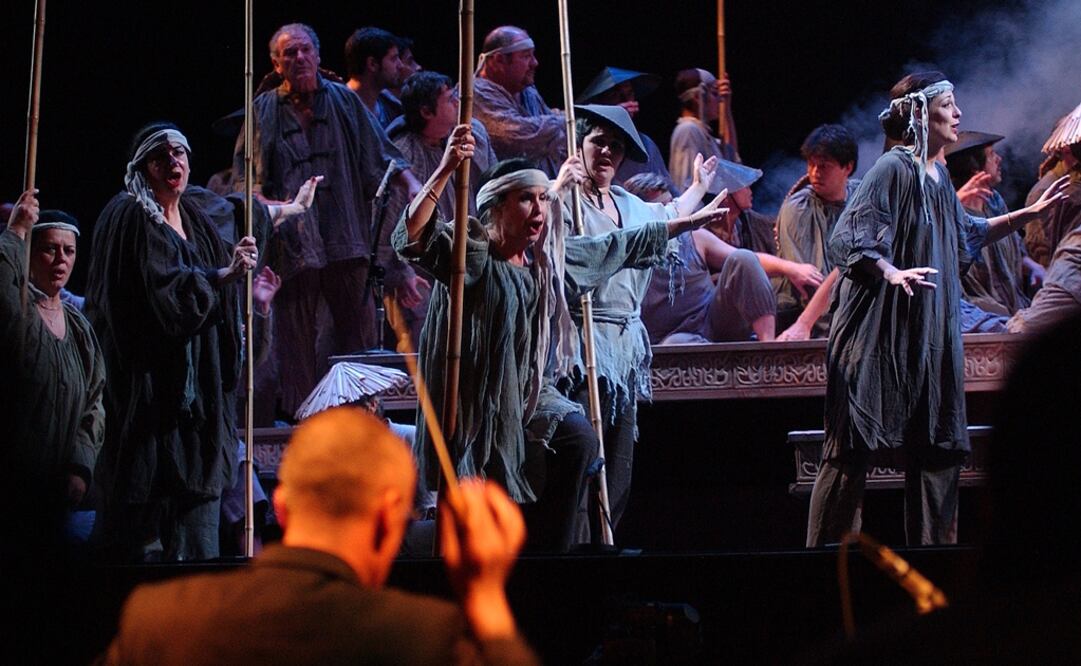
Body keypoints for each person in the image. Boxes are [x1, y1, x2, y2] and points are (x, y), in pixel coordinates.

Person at [392, 125, 726, 551]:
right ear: (497, 206)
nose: (539, 210)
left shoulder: (545, 261)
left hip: (530, 392)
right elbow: (415, 236)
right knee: (481, 495)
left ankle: (557, 553)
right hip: (476, 394)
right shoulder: (471, 251)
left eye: (543, 200)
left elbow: (615, 246)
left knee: (580, 439)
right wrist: (445, 169)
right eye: (526, 199)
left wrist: (687, 221)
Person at [805, 72, 1069, 547]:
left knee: (939, 447)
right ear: (922, 113)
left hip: (929, 329)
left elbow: (965, 232)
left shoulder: (938, 176)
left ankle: (935, 563)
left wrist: (1023, 217)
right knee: (850, 451)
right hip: (877, 333)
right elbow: (849, 237)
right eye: (949, 104)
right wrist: (889, 270)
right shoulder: (893, 169)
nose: (959, 113)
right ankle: (826, 568)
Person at [100, 407, 539, 665]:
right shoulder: (427, 639)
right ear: (389, 519)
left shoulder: (158, 620)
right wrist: (486, 598)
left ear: (281, 506)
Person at [85, 122, 318, 562]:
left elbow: (239, 214)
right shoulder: (131, 215)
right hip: (151, 397)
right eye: (162, 157)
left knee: (197, 534)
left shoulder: (194, 211)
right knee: (137, 533)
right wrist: (222, 275)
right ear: (144, 167)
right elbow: (166, 296)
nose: (174, 163)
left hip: (200, 406)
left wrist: (292, 209)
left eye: (180, 153)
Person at [236, 23, 420, 418]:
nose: (298, 59)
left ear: (318, 56)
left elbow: (384, 157)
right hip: (293, 245)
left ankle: (365, 418)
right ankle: (307, 425)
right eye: (289, 54)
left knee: (356, 332)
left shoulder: (344, 102)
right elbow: (246, 184)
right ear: (276, 63)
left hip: (346, 235)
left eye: (304, 51)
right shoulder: (263, 111)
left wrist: (414, 182)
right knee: (296, 340)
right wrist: (275, 207)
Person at [561, 104, 722, 535]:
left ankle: (608, 545)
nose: (607, 153)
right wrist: (560, 186)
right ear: (580, 146)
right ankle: (572, 547)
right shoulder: (566, 202)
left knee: (618, 461)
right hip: (583, 343)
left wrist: (696, 190)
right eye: (599, 142)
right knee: (580, 456)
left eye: (615, 146)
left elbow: (664, 220)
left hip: (624, 349)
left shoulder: (627, 203)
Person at [1, 194, 105, 549]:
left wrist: (80, 466)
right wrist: (15, 231)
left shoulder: (79, 327)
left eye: (69, 251)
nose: (61, 259)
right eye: (49, 249)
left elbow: (93, 404)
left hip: (63, 495)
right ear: (29, 253)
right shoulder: (16, 309)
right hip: (15, 487)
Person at [383, 70, 499, 343]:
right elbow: (391, 221)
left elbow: (490, 189)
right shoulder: (404, 154)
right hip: (426, 274)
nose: (458, 103)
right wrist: (402, 272)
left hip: (469, 263)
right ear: (426, 111)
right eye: (450, 99)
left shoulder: (469, 139)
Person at [774, 124, 861, 338]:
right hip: (804, 311)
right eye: (811, 165)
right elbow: (808, 281)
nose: (814, 173)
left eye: (823, 166)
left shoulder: (862, 196)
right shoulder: (798, 208)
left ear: (847, 168)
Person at [945, 130, 1042, 316]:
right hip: (980, 313)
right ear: (975, 168)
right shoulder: (950, 211)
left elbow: (1014, 242)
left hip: (1014, 305)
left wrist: (1033, 266)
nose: (999, 159)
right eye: (991, 155)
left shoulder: (993, 201)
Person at [473, 25, 566, 177]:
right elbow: (518, 137)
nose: (534, 63)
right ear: (499, 60)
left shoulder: (527, 92)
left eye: (533, 55)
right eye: (526, 56)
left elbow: (551, 124)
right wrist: (566, 121)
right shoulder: (476, 94)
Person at [577, 66, 675, 191]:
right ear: (601, 100)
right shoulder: (586, 140)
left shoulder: (646, 144)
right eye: (616, 94)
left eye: (629, 93)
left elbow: (669, 188)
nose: (626, 100)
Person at [669, 68, 740, 191]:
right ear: (697, 96)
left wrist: (726, 109)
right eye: (714, 93)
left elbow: (731, 158)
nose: (720, 100)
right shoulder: (688, 131)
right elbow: (686, 185)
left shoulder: (703, 134)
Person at [345, 26, 405, 128]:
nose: (401, 65)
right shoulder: (340, 107)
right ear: (372, 64)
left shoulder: (391, 107)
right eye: (393, 59)